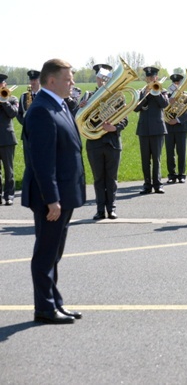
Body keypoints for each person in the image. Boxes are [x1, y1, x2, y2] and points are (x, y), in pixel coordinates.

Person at [21, 59, 86, 324]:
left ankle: (55, 302)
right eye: (68, 79)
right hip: (52, 197)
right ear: (51, 81)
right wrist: (52, 199)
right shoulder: (41, 110)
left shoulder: (58, 105)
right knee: (46, 253)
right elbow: (42, 161)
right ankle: (45, 308)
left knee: (55, 253)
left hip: (64, 194)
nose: (72, 84)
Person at [83, 64, 128, 220]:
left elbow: (124, 120)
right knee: (98, 179)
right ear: (96, 78)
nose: (101, 80)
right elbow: (79, 120)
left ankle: (112, 208)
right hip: (94, 143)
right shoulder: (88, 96)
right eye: (99, 77)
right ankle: (100, 210)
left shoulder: (117, 97)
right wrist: (81, 108)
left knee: (111, 179)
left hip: (112, 143)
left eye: (105, 78)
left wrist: (114, 128)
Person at [134, 66, 169, 194]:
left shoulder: (162, 90)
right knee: (145, 159)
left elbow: (164, 104)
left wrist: (156, 92)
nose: (150, 78)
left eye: (152, 76)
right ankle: (147, 185)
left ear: (156, 77)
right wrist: (146, 97)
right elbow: (136, 108)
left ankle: (158, 184)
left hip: (158, 129)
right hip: (143, 129)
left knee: (157, 159)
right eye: (148, 77)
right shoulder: (141, 92)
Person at [165, 73, 187, 184]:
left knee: (181, 152)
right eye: (174, 82)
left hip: (181, 127)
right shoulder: (166, 95)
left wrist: (177, 120)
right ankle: (172, 175)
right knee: (169, 152)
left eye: (178, 82)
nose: (176, 84)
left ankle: (182, 175)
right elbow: (162, 109)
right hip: (168, 127)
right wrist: (168, 102)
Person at [0, 73, 19, 205]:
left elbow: (13, 113)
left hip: (7, 139)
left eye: (2, 84)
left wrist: (4, 101)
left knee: (9, 170)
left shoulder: (12, 99)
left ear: (5, 85)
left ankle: (9, 195)